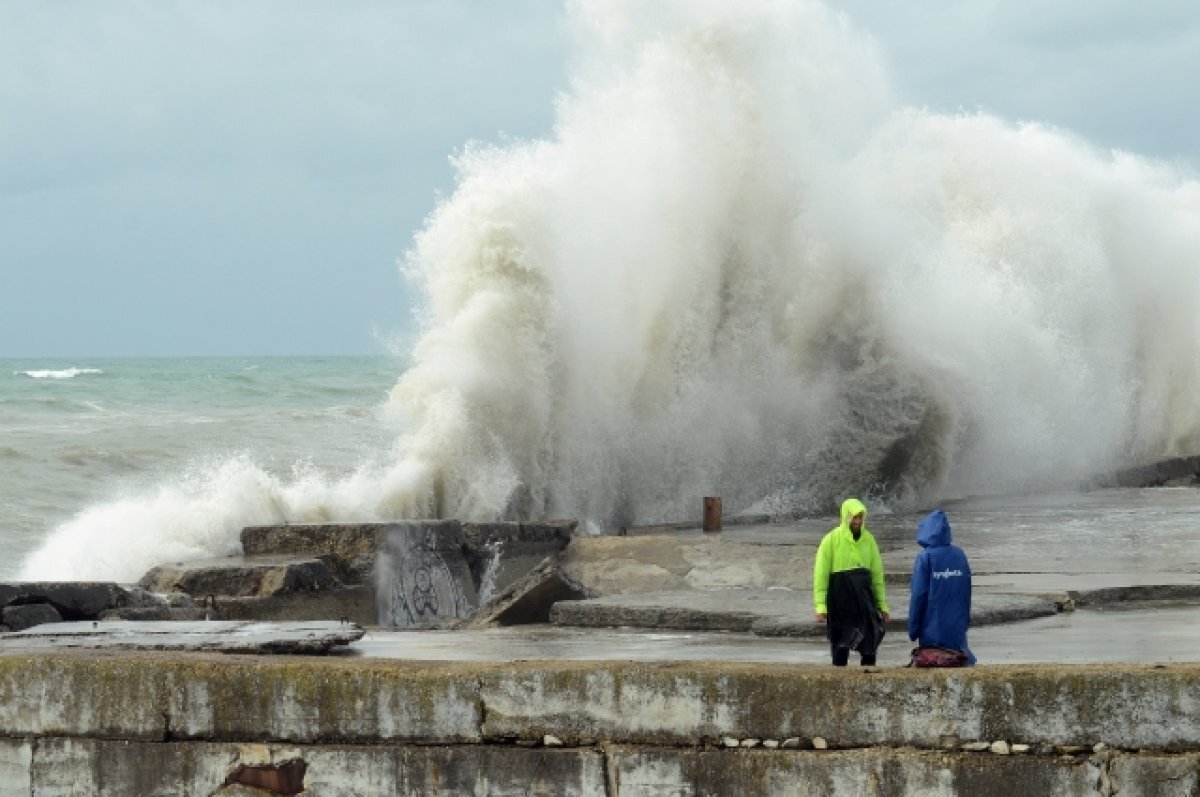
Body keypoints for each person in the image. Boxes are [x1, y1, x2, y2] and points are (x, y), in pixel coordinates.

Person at [813, 497, 890, 666]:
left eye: (860, 517)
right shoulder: (830, 540)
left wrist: (882, 605)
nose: (857, 521)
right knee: (841, 647)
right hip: (840, 600)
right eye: (854, 517)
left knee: (870, 646)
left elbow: (877, 576)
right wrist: (820, 606)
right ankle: (837, 684)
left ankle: (869, 682)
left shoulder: (869, 540)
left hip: (864, 600)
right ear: (845, 516)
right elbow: (821, 576)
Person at [907, 509, 976, 665]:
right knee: (957, 663)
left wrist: (913, 629)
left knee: (936, 665)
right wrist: (964, 624)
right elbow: (966, 593)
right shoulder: (959, 555)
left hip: (932, 632)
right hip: (957, 630)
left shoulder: (926, 557)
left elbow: (918, 596)